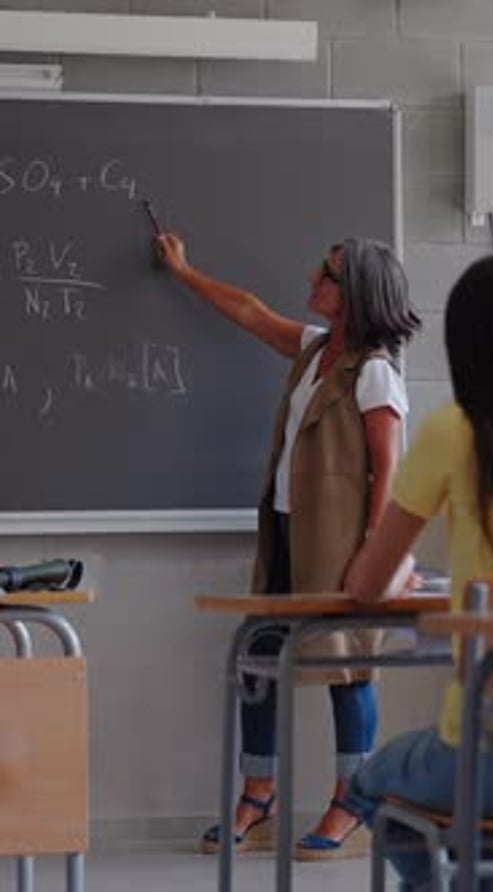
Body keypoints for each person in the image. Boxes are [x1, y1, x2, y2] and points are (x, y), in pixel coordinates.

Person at [157, 231, 421, 858]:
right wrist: (184, 272)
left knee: (348, 667)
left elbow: (389, 471)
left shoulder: (376, 374)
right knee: (258, 658)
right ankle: (260, 794)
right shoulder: (313, 351)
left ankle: (352, 803)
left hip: (342, 550)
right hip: (286, 538)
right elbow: (250, 311)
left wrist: (371, 553)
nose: (313, 280)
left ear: (353, 293)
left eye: (327, 276)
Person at [342, 254, 493, 890]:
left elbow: (365, 585)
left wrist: (403, 568)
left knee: (370, 781)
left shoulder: (455, 433)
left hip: (486, 756)